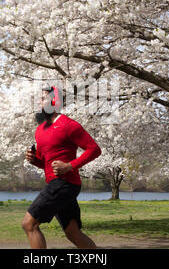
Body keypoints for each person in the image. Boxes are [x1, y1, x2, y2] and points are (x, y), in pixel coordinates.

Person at [22, 85, 102, 249]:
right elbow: (45, 162)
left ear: (54, 101)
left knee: (29, 224)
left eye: (44, 97)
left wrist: (69, 166)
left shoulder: (69, 125)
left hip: (64, 184)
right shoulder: (40, 130)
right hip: (59, 184)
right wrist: (33, 159)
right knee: (72, 232)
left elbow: (94, 149)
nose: (40, 101)